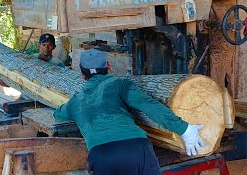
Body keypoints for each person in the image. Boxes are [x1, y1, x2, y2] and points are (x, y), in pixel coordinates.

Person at [53, 48, 205, 175]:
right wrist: (184, 129)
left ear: (82, 75)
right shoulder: (120, 82)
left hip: (102, 156)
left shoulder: (75, 101)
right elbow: (147, 104)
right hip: (135, 148)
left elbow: (58, 114)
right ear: (109, 66)